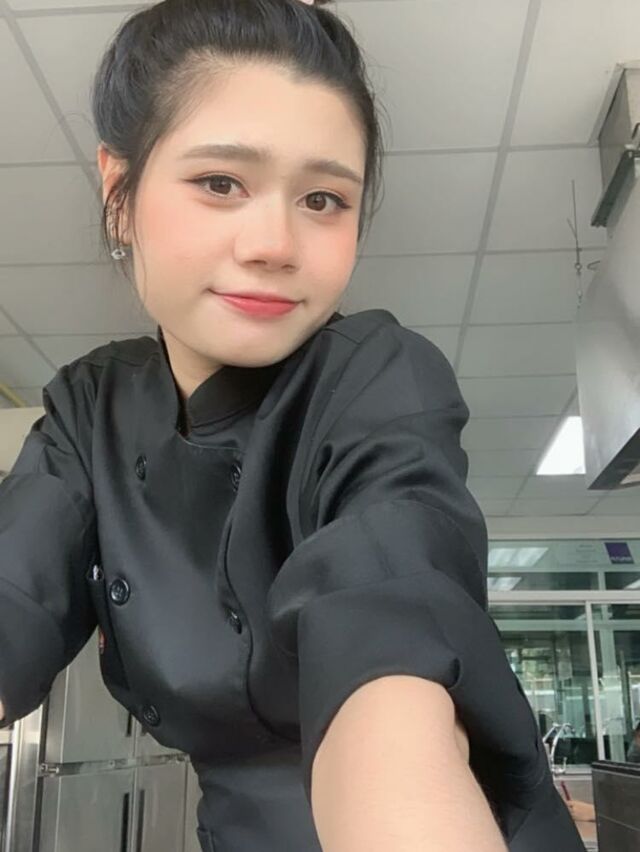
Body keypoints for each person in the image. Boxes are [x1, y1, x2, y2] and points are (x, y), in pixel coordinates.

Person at [0, 0, 587, 849]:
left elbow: (388, 631)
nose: (276, 243)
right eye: (220, 183)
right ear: (118, 190)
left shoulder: (376, 376)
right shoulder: (89, 409)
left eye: (323, 198)